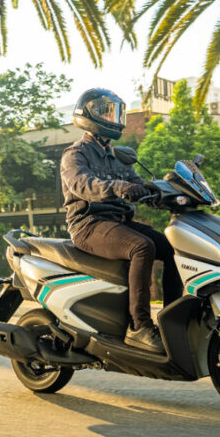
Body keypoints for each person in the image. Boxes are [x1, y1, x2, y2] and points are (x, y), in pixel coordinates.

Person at [60, 88, 183, 353]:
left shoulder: (119, 156)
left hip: (118, 223)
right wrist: (118, 187)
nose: (113, 119)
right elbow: (82, 184)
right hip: (88, 225)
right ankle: (139, 327)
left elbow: (139, 185)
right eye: (107, 113)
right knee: (142, 247)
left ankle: (175, 320)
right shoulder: (75, 154)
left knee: (172, 247)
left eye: (116, 113)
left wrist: (166, 195)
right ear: (89, 115)